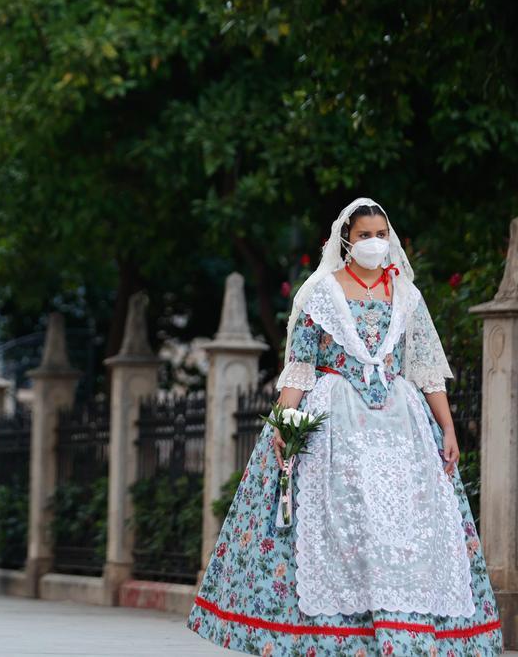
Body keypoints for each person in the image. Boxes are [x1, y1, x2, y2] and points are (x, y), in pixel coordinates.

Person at [188, 199, 503, 655]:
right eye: (365, 235)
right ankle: (344, 636)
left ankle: (404, 631)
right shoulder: (321, 293)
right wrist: (284, 423)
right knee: (349, 526)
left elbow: (427, 371)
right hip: (337, 425)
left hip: (402, 427)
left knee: (403, 527)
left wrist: (449, 429)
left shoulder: (408, 296)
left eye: (381, 234)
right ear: (346, 241)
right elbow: (299, 368)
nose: (375, 243)